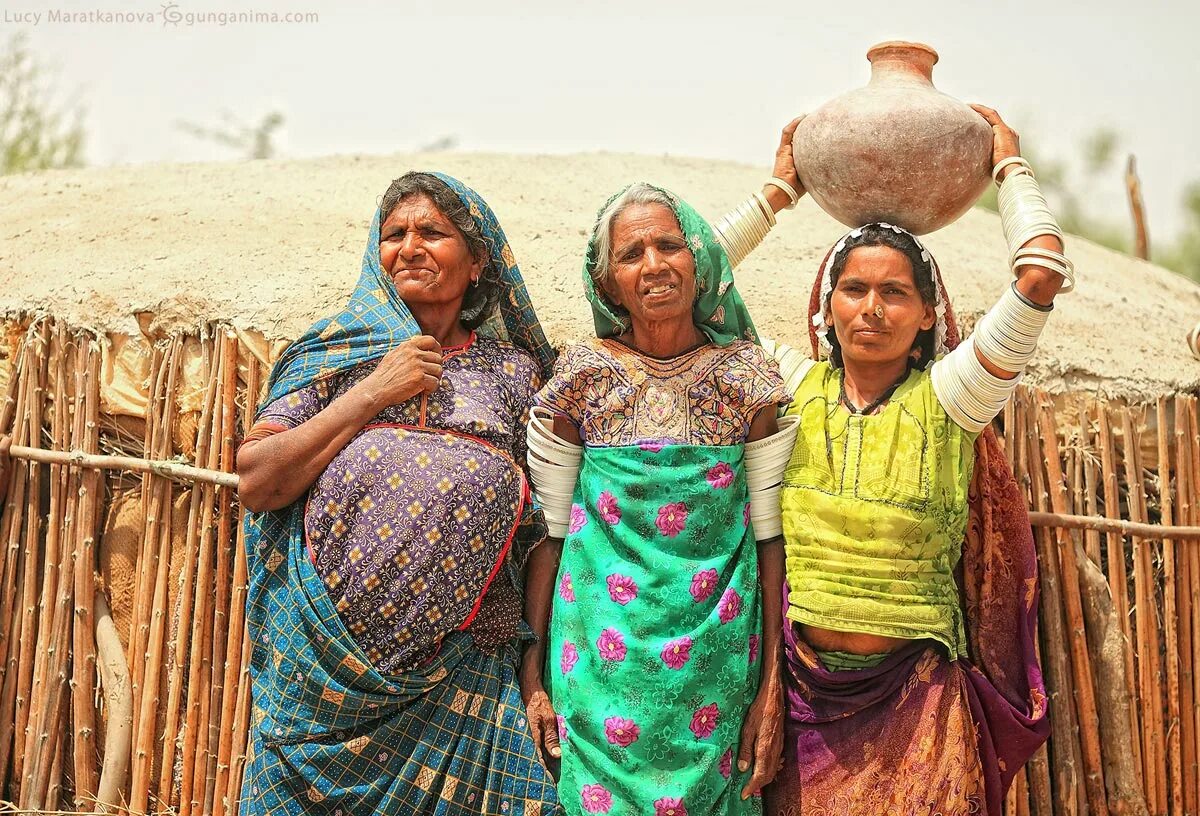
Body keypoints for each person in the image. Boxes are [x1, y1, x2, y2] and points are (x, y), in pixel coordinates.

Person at [235, 171, 562, 815]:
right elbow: (257, 479)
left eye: (432, 233)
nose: (409, 246)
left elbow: (542, 533)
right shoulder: (336, 356)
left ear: (476, 266)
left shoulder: (515, 373)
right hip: (322, 675)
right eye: (393, 235)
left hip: (463, 675)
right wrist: (373, 392)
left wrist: (533, 663)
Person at [764, 106, 1056, 815]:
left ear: (928, 314)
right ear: (825, 308)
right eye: (854, 290)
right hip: (799, 704)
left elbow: (1041, 272)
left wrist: (1007, 167)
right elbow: (672, 293)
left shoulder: (952, 399)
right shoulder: (782, 387)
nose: (872, 308)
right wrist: (776, 193)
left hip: (919, 709)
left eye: (895, 292)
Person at [521, 122, 806, 816]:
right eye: (631, 253)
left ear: (699, 260)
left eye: (669, 244)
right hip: (595, 671)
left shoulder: (747, 380)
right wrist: (532, 672)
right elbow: (551, 532)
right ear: (607, 280)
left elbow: (771, 541)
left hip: (717, 668)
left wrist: (771, 683)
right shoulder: (582, 379)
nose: (654, 264)